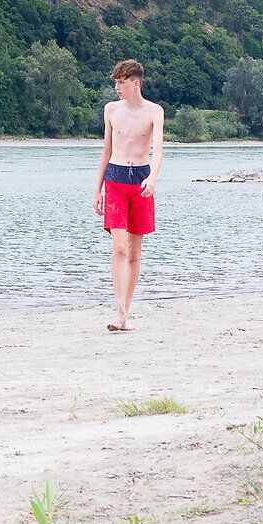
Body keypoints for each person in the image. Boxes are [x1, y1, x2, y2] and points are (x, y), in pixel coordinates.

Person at [93, 59, 164, 332]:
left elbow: (158, 149)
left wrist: (153, 178)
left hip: (142, 180)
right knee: (119, 248)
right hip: (115, 179)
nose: (117, 87)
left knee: (134, 253)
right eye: (116, 82)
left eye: (121, 82)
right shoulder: (111, 110)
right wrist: (96, 190)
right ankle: (119, 311)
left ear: (135, 83)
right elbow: (106, 151)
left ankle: (125, 313)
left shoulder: (154, 111)